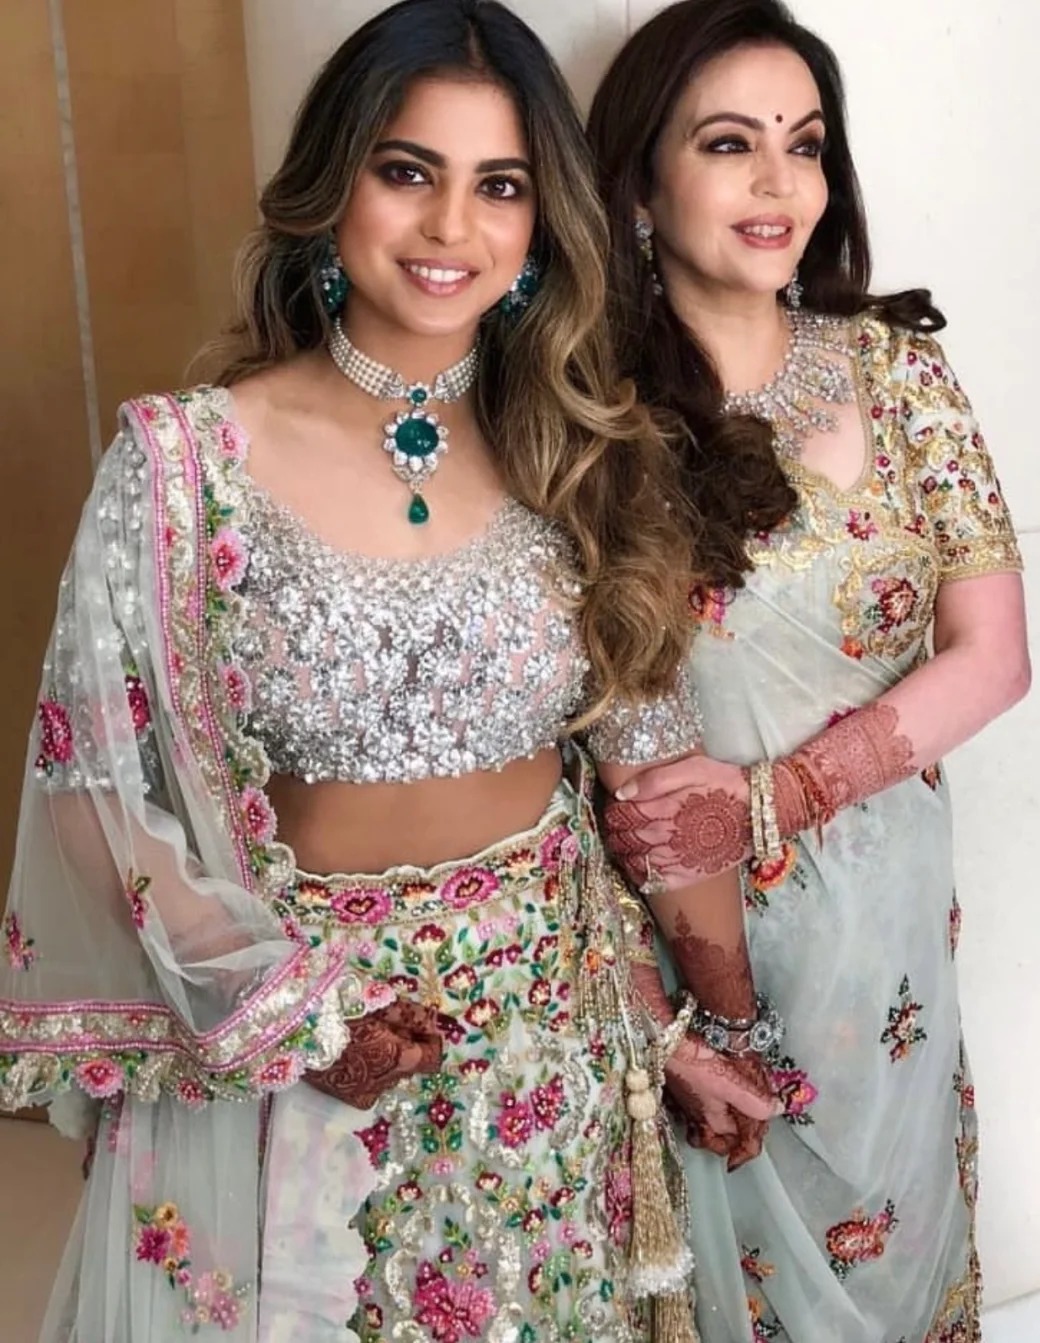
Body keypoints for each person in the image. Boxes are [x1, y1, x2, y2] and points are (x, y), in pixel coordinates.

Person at [0, 3, 775, 1340]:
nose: (450, 227)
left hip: (545, 1048)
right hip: (304, 1036)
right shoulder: (186, 466)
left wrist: (690, 1033)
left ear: (542, 223)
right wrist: (298, 1020)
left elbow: (646, 780)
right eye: (408, 170)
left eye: (501, 186)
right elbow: (95, 792)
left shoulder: (581, 457)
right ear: (332, 185)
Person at [588, 2, 1031, 1340]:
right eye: (731, 144)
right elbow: (600, 740)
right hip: (685, 935)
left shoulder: (900, 376)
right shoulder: (587, 416)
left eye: (805, 144)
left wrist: (777, 799)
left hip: (885, 927)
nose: (780, 183)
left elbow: (994, 657)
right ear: (640, 184)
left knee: (903, 1248)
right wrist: (687, 1012)